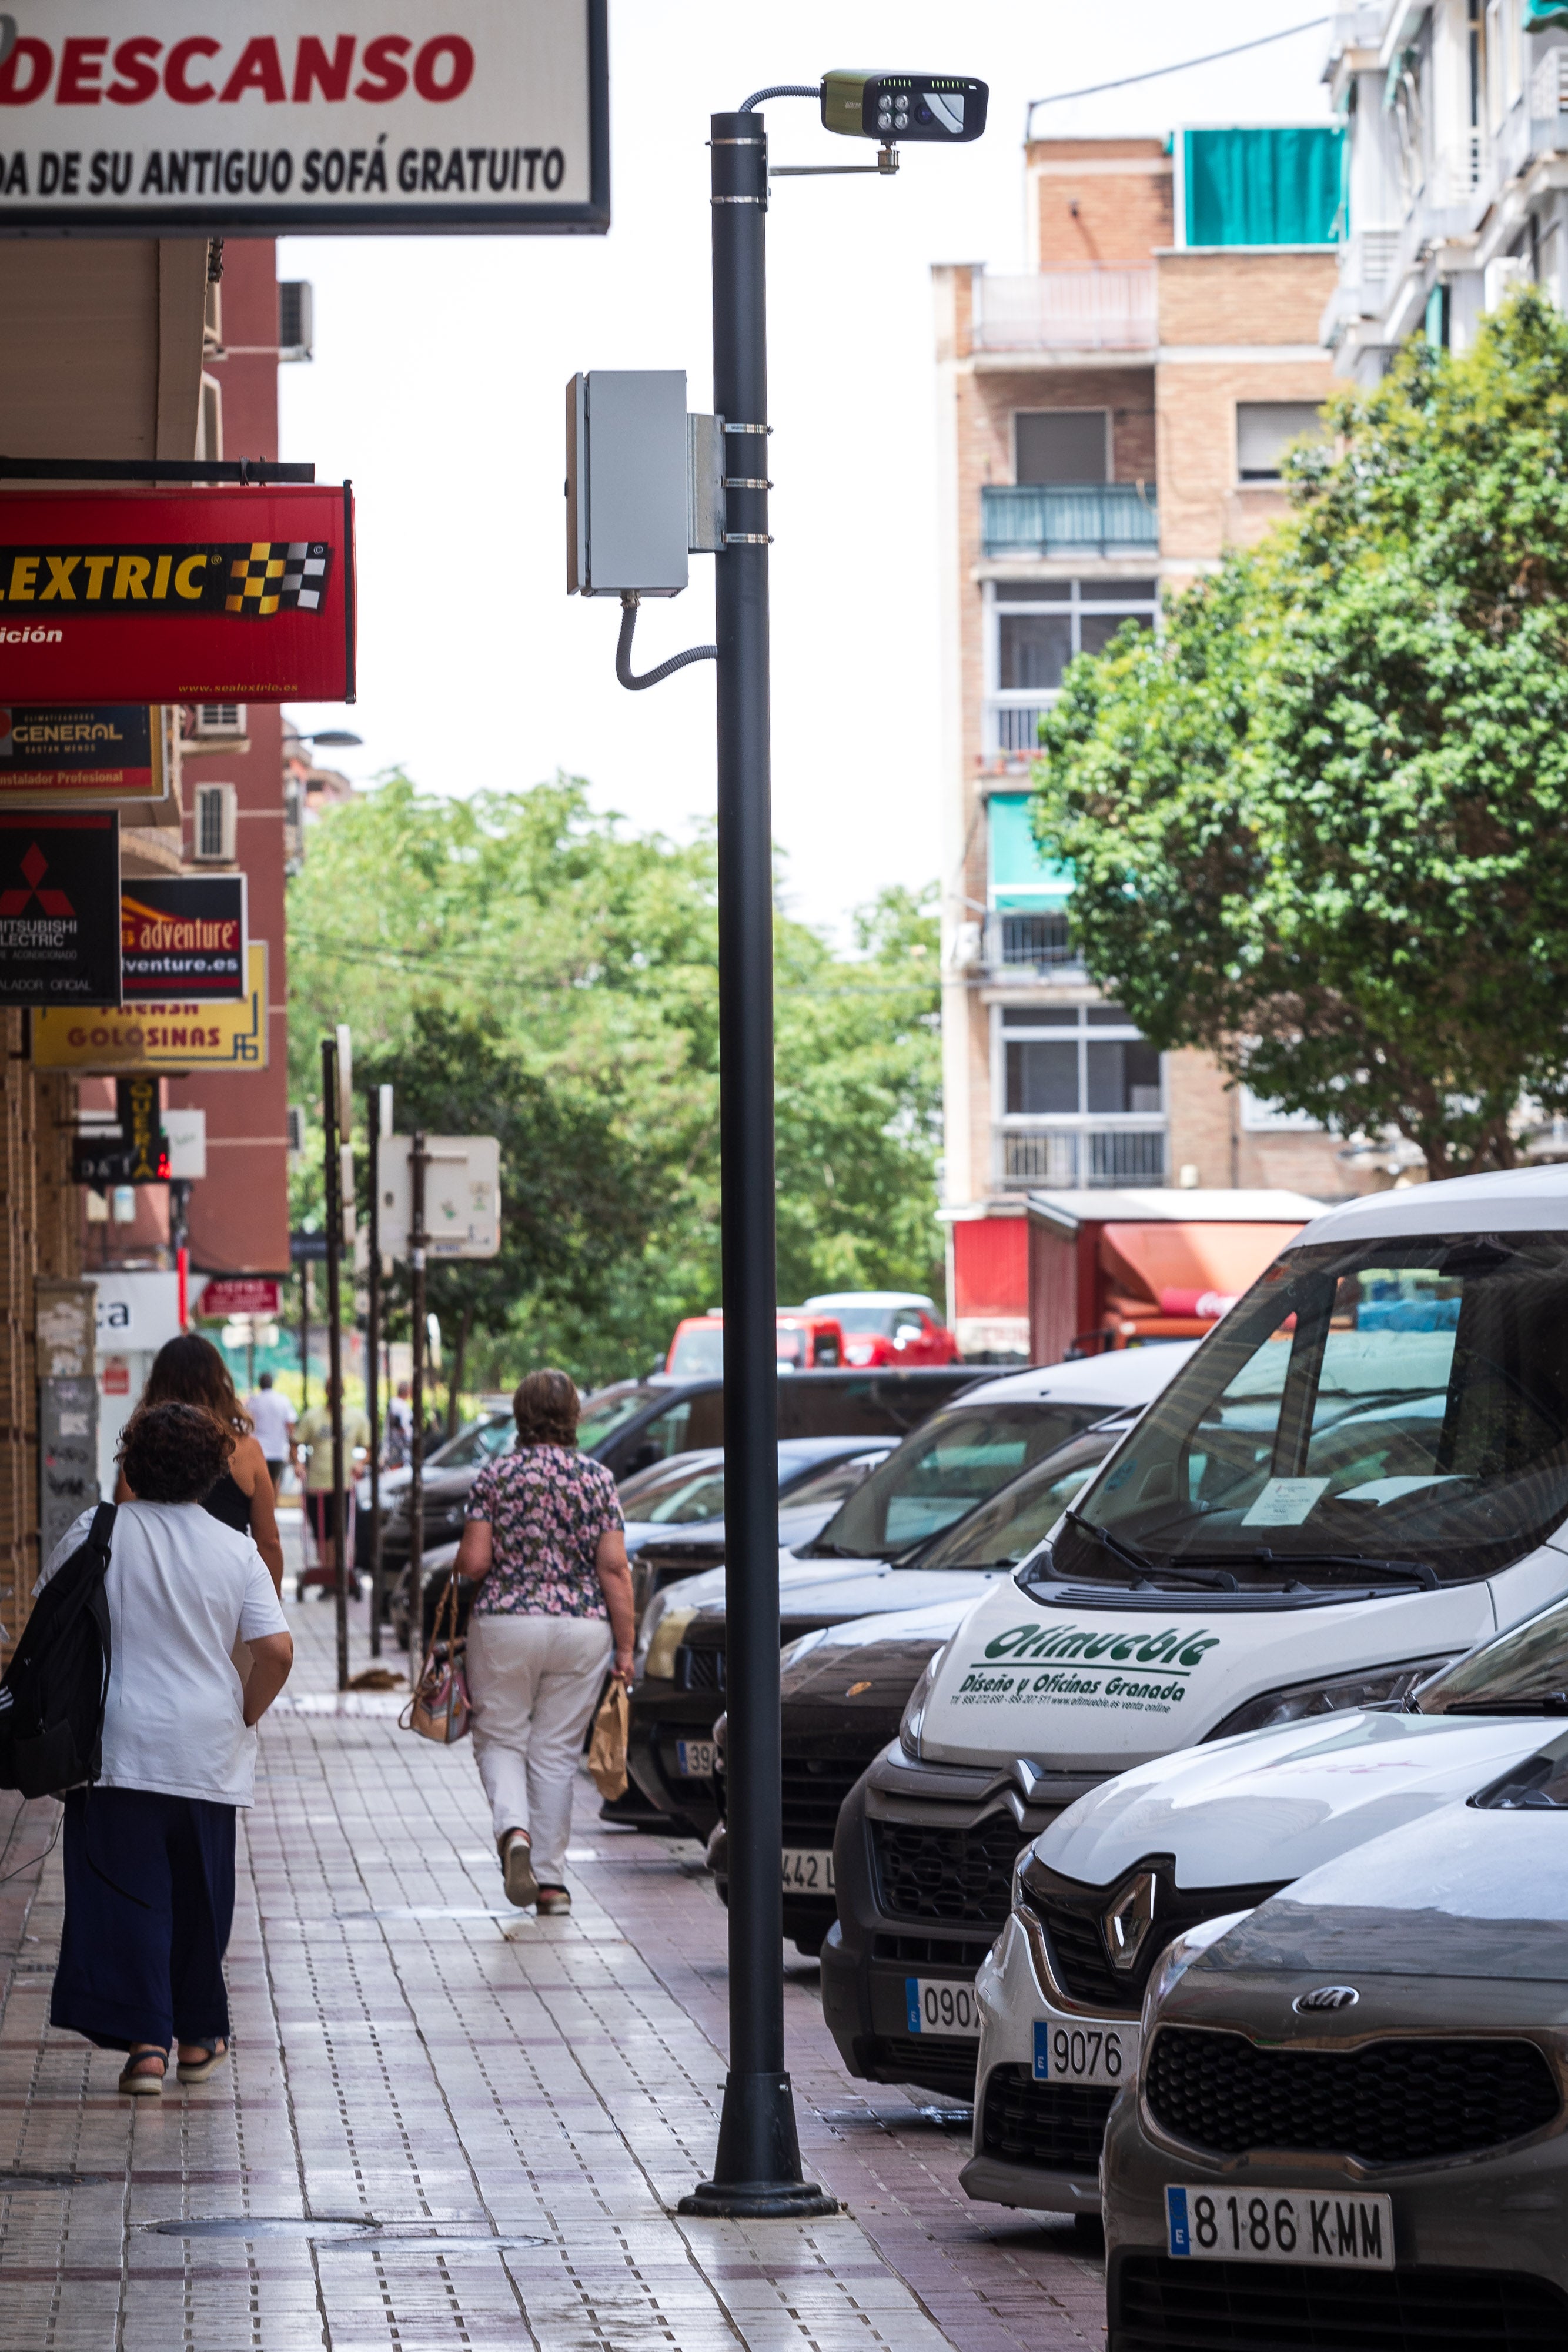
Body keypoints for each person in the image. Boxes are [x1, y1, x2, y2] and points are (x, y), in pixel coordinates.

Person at [46, 1399, 293, 2097]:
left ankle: (147, 2047)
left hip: (116, 1748)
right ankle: (197, 2037)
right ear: (213, 1471)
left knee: (129, 1899)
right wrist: (243, 1713)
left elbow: (49, 1621)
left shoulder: (98, 1532)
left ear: (131, 1464)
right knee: (199, 1900)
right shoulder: (234, 1548)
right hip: (206, 1753)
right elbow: (275, 1650)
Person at [453, 1368, 635, 1916]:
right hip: (581, 1627)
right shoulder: (596, 1479)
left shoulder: (496, 1477)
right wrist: (625, 1648)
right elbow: (614, 1568)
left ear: (520, 1413)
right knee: (555, 1753)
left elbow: (476, 1562)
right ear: (575, 1415)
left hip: (505, 1622)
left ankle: (514, 1832)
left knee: (500, 1738)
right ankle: (551, 1884)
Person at [119, 1332, 285, 1594]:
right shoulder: (246, 1449)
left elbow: (124, 1518)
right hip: (228, 1593)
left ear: (158, 1383)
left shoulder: (141, 1445)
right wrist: (271, 1609)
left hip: (158, 1590)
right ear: (219, 1383)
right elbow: (268, 1541)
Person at [293, 1377, 371, 1582]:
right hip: (316, 1485)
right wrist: (298, 1465)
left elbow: (369, 1446)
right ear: (326, 1391)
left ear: (343, 1391)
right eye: (331, 1388)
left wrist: (361, 1464)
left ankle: (338, 1575)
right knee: (321, 1535)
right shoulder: (312, 1417)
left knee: (341, 1533)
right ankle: (326, 1575)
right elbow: (295, 1443)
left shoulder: (356, 1418)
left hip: (344, 1485)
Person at [245, 1372, 296, 1495]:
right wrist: (291, 1447)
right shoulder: (283, 1400)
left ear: (260, 1384)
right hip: (277, 1449)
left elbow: (247, 1424)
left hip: (259, 1449)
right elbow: (290, 1425)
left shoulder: (253, 1401)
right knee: (275, 1481)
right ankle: (273, 1510)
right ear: (272, 1383)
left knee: (260, 1483)